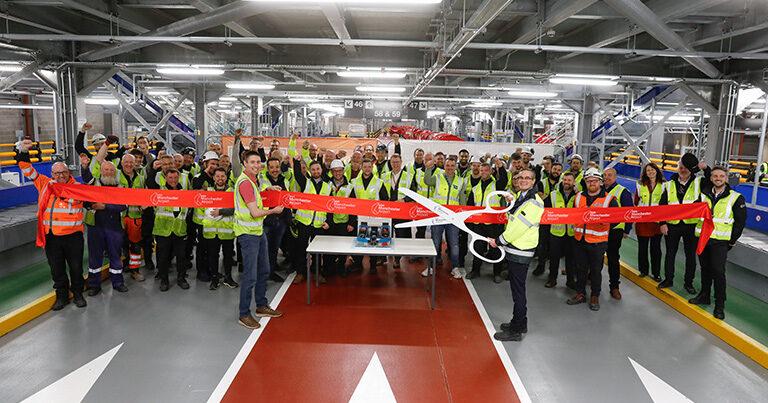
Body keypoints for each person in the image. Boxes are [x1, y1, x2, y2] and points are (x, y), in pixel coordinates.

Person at [17, 139, 87, 310]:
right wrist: (23, 152)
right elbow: (27, 170)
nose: (60, 176)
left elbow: (94, 200)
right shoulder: (45, 184)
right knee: (57, 269)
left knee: (76, 268)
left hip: (73, 237)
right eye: (56, 173)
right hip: (52, 237)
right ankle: (62, 297)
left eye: (63, 172)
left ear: (69, 172)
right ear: (52, 174)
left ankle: (78, 294)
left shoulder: (78, 188)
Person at [489, 169, 544, 342]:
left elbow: (519, 227)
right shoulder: (522, 198)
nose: (523, 180)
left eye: (528, 178)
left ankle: (516, 330)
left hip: (521, 251)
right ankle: (521, 322)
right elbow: (512, 218)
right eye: (520, 177)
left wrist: (499, 240)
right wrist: (511, 203)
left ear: (534, 181)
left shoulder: (534, 202)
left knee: (518, 291)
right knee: (516, 289)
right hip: (516, 249)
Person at [234, 151, 284, 329]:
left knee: (264, 270)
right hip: (247, 234)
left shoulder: (254, 181)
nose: (256, 165)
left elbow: (257, 195)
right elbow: (255, 212)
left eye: (258, 162)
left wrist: (267, 190)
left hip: (257, 231)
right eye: (252, 162)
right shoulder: (245, 183)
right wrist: (273, 211)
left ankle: (261, 305)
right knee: (250, 275)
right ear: (244, 164)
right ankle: (244, 314)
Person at [689, 167, 746, 319]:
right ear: (711, 178)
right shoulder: (703, 195)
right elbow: (690, 210)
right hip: (703, 239)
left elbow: (740, 223)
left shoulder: (736, 197)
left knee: (718, 272)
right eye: (715, 175)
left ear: (726, 178)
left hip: (721, 242)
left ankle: (719, 305)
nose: (718, 178)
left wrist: (732, 241)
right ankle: (704, 295)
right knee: (705, 269)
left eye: (721, 176)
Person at [566, 168, 619, 311]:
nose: (592, 183)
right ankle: (580, 293)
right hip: (579, 239)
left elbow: (617, 219)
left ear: (601, 182)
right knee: (580, 268)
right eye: (589, 181)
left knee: (596, 270)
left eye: (595, 181)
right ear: (585, 182)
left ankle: (595, 295)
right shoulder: (578, 197)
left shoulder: (609, 199)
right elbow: (572, 215)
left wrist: (604, 223)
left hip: (598, 242)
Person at [658, 153, 711, 294]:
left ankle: (689, 283)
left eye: (686, 167)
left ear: (691, 169)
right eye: (681, 167)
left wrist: (705, 168)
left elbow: (712, 180)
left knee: (690, 256)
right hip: (672, 225)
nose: (683, 170)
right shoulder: (668, 185)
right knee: (670, 254)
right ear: (678, 168)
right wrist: (662, 223)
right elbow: (662, 206)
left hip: (691, 226)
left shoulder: (699, 182)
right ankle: (668, 279)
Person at [84, 159, 128, 295]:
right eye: (106, 170)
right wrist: (85, 167)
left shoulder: (121, 187)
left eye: (111, 170)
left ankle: (118, 282)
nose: (108, 172)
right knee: (95, 257)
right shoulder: (93, 184)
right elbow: (85, 199)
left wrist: (105, 206)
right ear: (101, 171)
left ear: (115, 172)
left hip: (114, 226)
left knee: (115, 255)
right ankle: (94, 285)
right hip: (95, 227)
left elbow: (123, 206)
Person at [290, 157, 332, 284]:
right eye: (313, 169)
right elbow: (297, 174)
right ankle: (300, 272)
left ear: (321, 169)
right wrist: (296, 162)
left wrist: (328, 221)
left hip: (319, 224)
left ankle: (317, 272)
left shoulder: (328, 186)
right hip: (304, 222)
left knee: (317, 251)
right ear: (309, 171)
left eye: (317, 169)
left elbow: (330, 206)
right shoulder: (305, 183)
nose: (315, 171)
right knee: (301, 249)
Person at [424, 156, 466, 278]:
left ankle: (455, 267)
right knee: (435, 242)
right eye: (447, 165)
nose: (450, 168)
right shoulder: (437, 177)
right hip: (438, 216)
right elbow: (427, 181)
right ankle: (430, 267)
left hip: (453, 218)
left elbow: (462, 199)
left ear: (455, 167)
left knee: (454, 244)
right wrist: (428, 168)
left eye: (452, 166)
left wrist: (462, 216)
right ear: (444, 166)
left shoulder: (460, 181)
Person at [466, 160, 508, 282]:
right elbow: (470, 206)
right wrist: (470, 223)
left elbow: (504, 179)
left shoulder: (497, 186)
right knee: (478, 247)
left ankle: (497, 273)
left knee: (495, 248)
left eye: (486, 170)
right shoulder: (475, 188)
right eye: (481, 171)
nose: (483, 173)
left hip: (494, 223)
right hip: (478, 224)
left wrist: (501, 167)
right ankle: (475, 270)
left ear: (491, 172)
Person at [349, 158, 389, 274]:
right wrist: (352, 221)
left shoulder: (379, 182)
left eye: (369, 167)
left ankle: (373, 266)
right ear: (361, 167)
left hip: (374, 219)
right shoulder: (355, 182)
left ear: (372, 168)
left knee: (373, 241)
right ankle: (358, 264)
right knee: (360, 241)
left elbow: (385, 200)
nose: (367, 169)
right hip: (359, 218)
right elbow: (351, 202)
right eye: (365, 167)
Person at [153, 169, 190, 292]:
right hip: (163, 230)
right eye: (170, 178)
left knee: (181, 257)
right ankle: (164, 280)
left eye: (175, 178)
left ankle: (181, 278)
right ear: (166, 178)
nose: (173, 180)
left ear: (178, 178)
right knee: (163, 257)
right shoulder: (159, 192)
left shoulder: (185, 193)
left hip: (179, 230)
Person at [203, 168, 237, 290]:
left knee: (228, 256)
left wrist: (221, 211)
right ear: (213, 178)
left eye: (222, 176)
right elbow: (202, 207)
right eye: (217, 176)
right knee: (213, 256)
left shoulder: (232, 192)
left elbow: (236, 208)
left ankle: (228, 278)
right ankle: (214, 278)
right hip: (211, 231)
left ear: (226, 177)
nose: (220, 179)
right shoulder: (207, 191)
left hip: (227, 231)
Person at [260, 157, 292, 282]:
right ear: (267, 168)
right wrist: (267, 190)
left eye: (277, 167)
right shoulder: (262, 180)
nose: (275, 170)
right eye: (272, 167)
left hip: (281, 220)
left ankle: (271, 270)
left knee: (274, 248)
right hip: (267, 220)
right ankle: (265, 273)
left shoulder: (285, 180)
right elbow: (258, 196)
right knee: (265, 249)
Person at [603, 168, 633, 300]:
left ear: (615, 177)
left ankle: (614, 287)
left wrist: (627, 229)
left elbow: (629, 211)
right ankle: (591, 278)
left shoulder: (623, 191)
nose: (607, 177)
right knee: (595, 256)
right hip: (600, 230)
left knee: (613, 259)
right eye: (605, 175)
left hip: (615, 231)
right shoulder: (600, 190)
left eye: (609, 175)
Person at [381, 154, 415, 269]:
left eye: (397, 162)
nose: (395, 164)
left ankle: (397, 259)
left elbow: (414, 192)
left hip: (402, 211)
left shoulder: (409, 176)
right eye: (393, 162)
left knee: (401, 235)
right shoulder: (384, 176)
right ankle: (383, 257)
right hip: (388, 211)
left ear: (401, 163)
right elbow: (380, 191)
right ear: (390, 163)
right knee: (386, 233)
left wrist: (404, 200)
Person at [191, 151, 220, 282]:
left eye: (216, 164)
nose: (214, 166)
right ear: (205, 163)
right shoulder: (198, 178)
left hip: (214, 219)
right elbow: (197, 194)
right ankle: (201, 271)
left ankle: (211, 270)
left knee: (212, 247)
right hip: (201, 220)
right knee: (202, 247)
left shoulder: (217, 178)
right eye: (212, 163)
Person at [545, 171, 577, 289]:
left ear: (574, 182)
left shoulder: (579, 196)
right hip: (556, 232)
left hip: (571, 233)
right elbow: (546, 210)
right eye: (565, 180)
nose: (566, 182)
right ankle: (552, 279)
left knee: (570, 259)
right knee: (554, 258)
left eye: (569, 180)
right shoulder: (553, 194)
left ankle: (570, 281)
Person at [635, 163, 665, 281]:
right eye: (648, 170)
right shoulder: (639, 185)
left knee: (656, 249)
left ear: (657, 171)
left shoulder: (664, 185)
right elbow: (636, 202)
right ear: (645, 173)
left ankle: (656, 273)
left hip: (657, 222)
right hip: (642, 221)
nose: (650, 172)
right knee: (642, 248)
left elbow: (665, 203)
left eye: (652, 170)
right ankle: (643, 270)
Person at [532, 162, 562, 276]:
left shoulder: (562, 183)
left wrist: (547, 197)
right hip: (543, 217)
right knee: (542, 244)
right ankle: (541, 266)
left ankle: (552, 272)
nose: (556, 171)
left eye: (559, 170)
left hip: (557, 219)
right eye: (555, 169)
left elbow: (546, 198)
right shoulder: (541, 183)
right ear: (550, 169)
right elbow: (540, 197)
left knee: (554, 247)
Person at [327, 159, 354, 276]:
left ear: (343, 171)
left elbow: (354, 205)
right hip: (330, 221)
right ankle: (330, 268)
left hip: (344, 221)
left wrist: (352, 223)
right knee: (330, 246)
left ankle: (341, 267)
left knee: (343, 246)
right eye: (335, 171)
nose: (338, 173)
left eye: (340, 170)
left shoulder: (350, 186)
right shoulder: (326, 184)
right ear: (332, 172)